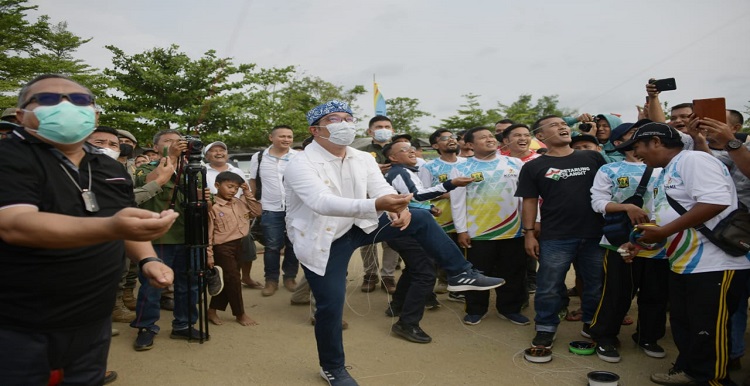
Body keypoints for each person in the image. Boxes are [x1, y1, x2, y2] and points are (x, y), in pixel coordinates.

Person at [284, 100, 505, 385]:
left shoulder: (362, 158)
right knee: (330, 306)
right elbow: (321, 202)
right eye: (334, 120)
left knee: (420, 218)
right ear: (315, 130)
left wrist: (397, 207)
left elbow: (382, 189)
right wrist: (378, 204)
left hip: (360, 224)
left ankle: (460, 272)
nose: (344, 124)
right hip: (323, 237)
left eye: (349, 119)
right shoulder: (299, 163)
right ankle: (333, 368)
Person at [0, 74, 176, 385]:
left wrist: (149, 259)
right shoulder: (9, 156)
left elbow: (126, 223)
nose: (66, 106)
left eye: (79, 100)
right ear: (21, 115)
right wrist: (109, 227)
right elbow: (15, 224)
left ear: (94, 116)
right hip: (20, 323)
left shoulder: (109, 167)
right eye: (50, 99)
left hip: (92, 319)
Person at [617, 122, 750, 385]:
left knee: (708, 330)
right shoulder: (667, 170)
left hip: (714, 263)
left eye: (637, 147)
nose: (635, 154)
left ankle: (712, 380)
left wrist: (664, 232)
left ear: (655, 141)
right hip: (683, 263)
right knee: (684, 323)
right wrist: (642, 242)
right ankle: (689, 371)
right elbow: (669, 218)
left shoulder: (694, 160)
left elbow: (715, 201)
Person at [515, 115, 607, 350]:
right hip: (556, 236)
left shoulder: (592, 157)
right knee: (549, 285)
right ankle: (545, 327)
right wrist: (528, 234)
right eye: (555, 125)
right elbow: (529, 201)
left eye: (564, 125)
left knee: (595, 283)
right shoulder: (533, 166)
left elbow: (609, 189)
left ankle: (593, 323)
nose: (563, 127)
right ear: (541, 136)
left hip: (595, 233)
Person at [587, 122, 670, 363]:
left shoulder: (667, 168)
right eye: (631, 136)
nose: (637, 140)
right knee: (616, 293)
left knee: (655, 295)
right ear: (620, 143)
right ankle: (604, 336)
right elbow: (598, 202)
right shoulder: (609, 170)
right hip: (619, 242)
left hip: (659, 243)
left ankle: (648, 337)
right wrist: (627, 207)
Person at [382, 140, 474, 343]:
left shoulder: (406, 172)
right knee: (425, 273)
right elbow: (416, 195)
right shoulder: (400, 172)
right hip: (405, 229)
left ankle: (397, 306)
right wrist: (451, 184)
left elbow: (408, 199)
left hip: (406, 226)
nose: (411, 151)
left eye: (411, 148)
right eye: (404, 150)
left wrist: (429, 207)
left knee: (416, 268)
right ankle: (407, 323)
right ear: (393, 157)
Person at [131, 129, 207, 351]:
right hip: (160, 236)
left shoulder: (192, 171)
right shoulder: (146, 167)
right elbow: (150, 183)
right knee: (153, 285)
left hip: (190, 234)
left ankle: (183, 324)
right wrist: (171, 157)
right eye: (168, 142)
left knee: (190, 284)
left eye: (179, 141)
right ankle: (146, 327)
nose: (176, 144)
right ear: (155, 147)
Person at [450, 127, 530, 326]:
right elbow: (457, 201)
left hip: (513, 230)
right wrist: (461, 230)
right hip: (479, 232)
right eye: (483, 137)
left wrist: (530, 225)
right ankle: (476, 309)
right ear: (469, 145)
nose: (489, 139)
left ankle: (510, 309)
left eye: (491, 136)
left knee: (513, 272)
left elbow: (528, 196)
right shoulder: (462, 167)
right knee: (477, 274)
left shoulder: (515, 163)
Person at [249, 125, 300, 296]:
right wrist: (254, 201)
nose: (286, 140)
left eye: (289, 136)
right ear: (271, 138)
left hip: (294, 207)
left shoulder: (298, 157)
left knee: (293, 244)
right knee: (272, 246)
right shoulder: (259, 157)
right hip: (270, 207)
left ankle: (290, 277)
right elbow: (253, 181)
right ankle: (271, 280)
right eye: (282, 136)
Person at [206, 171, 261, 326]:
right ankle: (240, 314)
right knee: (234, 279)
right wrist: (209, 254)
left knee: (227, 280)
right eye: (229, 186)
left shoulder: (239, 202)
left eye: (236, 188)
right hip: (222, 248)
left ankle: (212, 310)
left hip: (239, 245)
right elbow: (208, 234)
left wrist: (247, 192)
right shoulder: (213, 206)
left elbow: (257, 212)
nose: (233, 190)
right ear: (217, 185)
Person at [418, 129, 467, 299]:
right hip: (442, 219)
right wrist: (449, 192)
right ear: (435, 145)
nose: (451, 140)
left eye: (453, 137)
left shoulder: (467, 163)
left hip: (466, 218)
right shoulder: (429, 166)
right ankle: (440, 284)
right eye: (445, 138)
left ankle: (459, 286)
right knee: (442, 253)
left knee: (463, 252)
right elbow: (422, 193)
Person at [356, 115, 401, 293]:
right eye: (379, 126)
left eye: (387, 126)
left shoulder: (400, 151)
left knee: (392, 239)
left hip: (394, 200)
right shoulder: (362, 153)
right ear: (370, 131)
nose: (384, 129)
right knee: (368, 239)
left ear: (393, 130)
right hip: (368, 201)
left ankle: (388, 276)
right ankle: (370, 274)